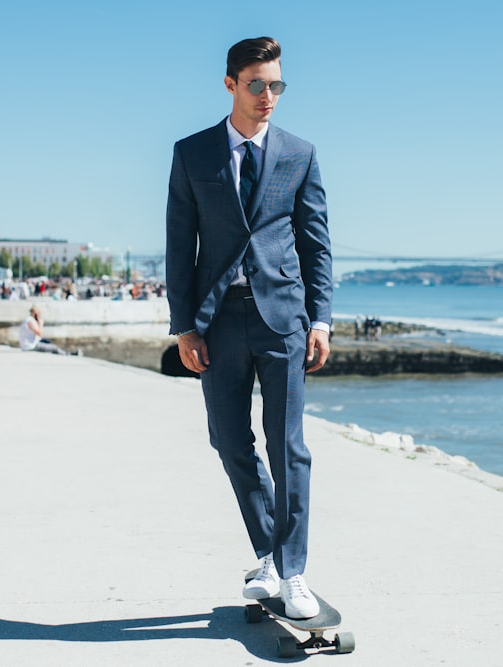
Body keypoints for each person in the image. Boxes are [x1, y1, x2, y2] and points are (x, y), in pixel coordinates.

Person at [165, 37, 332, 619]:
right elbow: (178, 244)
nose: (268, 96)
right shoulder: (192, 154)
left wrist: (322, 320)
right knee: (230, 442)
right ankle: (268, 548)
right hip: (217, 322)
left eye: (277, 86)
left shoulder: (300, 154)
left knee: (290, 449)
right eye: (257, 84)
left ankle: (293, 571)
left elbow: (316, 245)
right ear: (231, 84)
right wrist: (184, 326)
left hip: (283, 319)